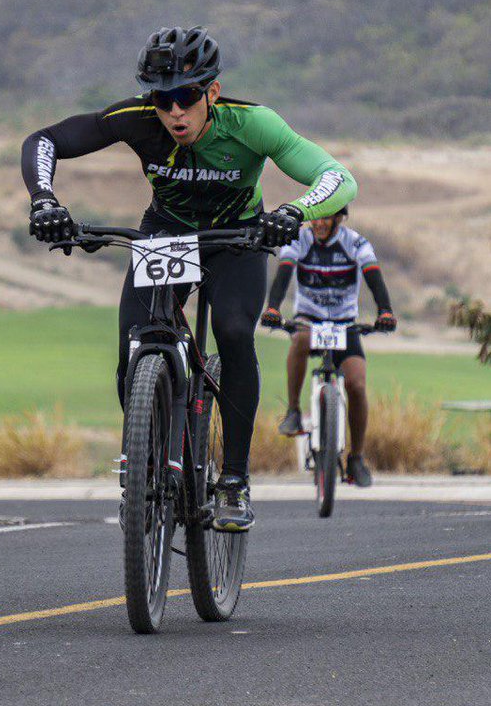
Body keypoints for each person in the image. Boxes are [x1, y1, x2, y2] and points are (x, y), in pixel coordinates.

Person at [21, 26, 357, 530]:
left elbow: (336, 176)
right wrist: (44, 199)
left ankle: (235, 482)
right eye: (163, 99)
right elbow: (44, 140)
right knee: (135, 343)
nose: (175, 111)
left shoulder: (253, 124)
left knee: (235, 331)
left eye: (187, 97)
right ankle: (150, 458)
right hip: (167, 234)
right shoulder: (135, 119)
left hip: (237, 239)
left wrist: (294, 211)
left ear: (211, 93)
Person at [262, 208, 397, 487]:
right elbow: (284, 274)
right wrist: (273, 308)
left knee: (357, 385)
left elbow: (374, 278)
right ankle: (294, 411)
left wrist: (385, 311)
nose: (320, 224)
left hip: (344, 323)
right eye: (317, 218)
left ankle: (356, 457)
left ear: (340, 219)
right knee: (299, 338)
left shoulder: (356, 243)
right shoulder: (299, 239)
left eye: (327, 218)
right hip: (309, 320)